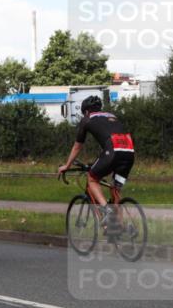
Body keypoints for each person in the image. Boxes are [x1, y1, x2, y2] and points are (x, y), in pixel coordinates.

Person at [57, 95, 135, 232]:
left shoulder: (87, 119)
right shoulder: (111, 115)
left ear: (86, 111)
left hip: (113, 151)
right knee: (115, 189)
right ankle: (119, 226)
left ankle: (107, 210)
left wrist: (67, 165)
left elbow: (77, 146)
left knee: (92, 178)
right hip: (129, 151)